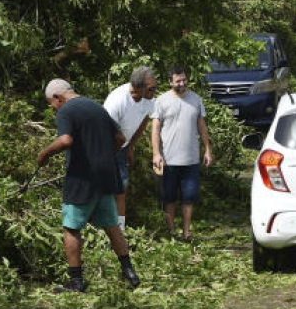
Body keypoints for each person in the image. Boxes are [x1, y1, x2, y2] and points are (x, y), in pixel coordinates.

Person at [37, 78, 140, 292]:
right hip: (106, 176)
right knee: (112, 225)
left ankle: (76, 281)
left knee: (71, 228)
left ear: (58, 97)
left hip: (82, 177)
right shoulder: (97, 107)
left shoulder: (66, 111)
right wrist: (105, 154)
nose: (53, 108)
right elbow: (120, 137)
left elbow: (65, 140)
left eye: (52, 104)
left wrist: (44, 153)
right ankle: (129, 271)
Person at [150, 64, 213, 241]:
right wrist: (156, 153)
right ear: (170, 82)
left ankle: (186, 233)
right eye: (178, 81)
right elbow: (155, 129)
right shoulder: (161, 101)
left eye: (184, 79)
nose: (182, 83)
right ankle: (171, 233)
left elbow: (202, 125)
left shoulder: (196, 99)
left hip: (191, 159)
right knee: (168, 198)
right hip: (168, 160)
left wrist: (207, 149)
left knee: (189, 198)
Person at [103, 66, 158, 231]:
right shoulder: (117, 100)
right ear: (138, 87)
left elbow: (143, 121)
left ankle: (120, 230)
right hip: (105, 148)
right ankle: (100, 230)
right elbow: (106, 131)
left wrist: (130, 147)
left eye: (156, 87)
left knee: (122, 189)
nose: (155, 91)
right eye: (151, 88)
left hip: (122, 149)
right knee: (104, 191)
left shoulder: (148, 99)